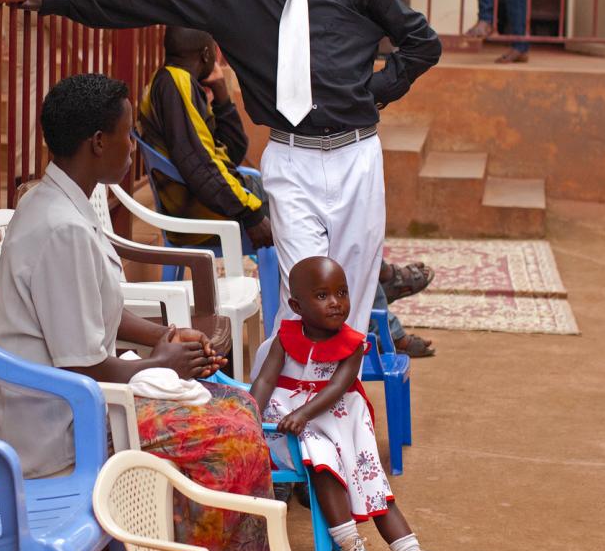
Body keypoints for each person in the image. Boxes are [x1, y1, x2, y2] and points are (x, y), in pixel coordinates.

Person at [12, 0, 442, 339]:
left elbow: (423, 42)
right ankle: (301, 401)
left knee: (353, 298)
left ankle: (338, 407)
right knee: (307, 296)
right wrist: (54, 1)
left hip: (356, 155)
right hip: (291, 157)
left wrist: (373, 93)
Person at [0, 73, 274, 551]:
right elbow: (78, 366)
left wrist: (164, 338)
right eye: (127, 135)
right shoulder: (61, 227)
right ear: (96, 142)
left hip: (82, 395)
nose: (133, 146)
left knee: (235, 404)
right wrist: (159, 367)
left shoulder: (69, 201)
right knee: (229, 439)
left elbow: (100, 313)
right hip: (57, 422)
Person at [138, 25, 438, 356]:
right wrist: (250, 214)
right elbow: (199, 168)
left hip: (223, 198)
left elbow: (233, 152)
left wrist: (222, 95)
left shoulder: (182, 84)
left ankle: (380, 286)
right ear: (208, 54)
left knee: (332, 218)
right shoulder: (175, 85)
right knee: (329, 227)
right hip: (209, 213)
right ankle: (384, 315)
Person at [250, 256, 449, 551]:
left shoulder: (353, 343)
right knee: (321, 461)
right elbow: (266, 380)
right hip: (295, 420)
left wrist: (304, 413)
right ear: (297, 305)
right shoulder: (285, 338)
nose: (336, 303)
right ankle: (350, 544)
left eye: (341, 293)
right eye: (323, 295)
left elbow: (338, 387)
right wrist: (248, 411)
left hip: (339, 415)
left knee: (371, 478)